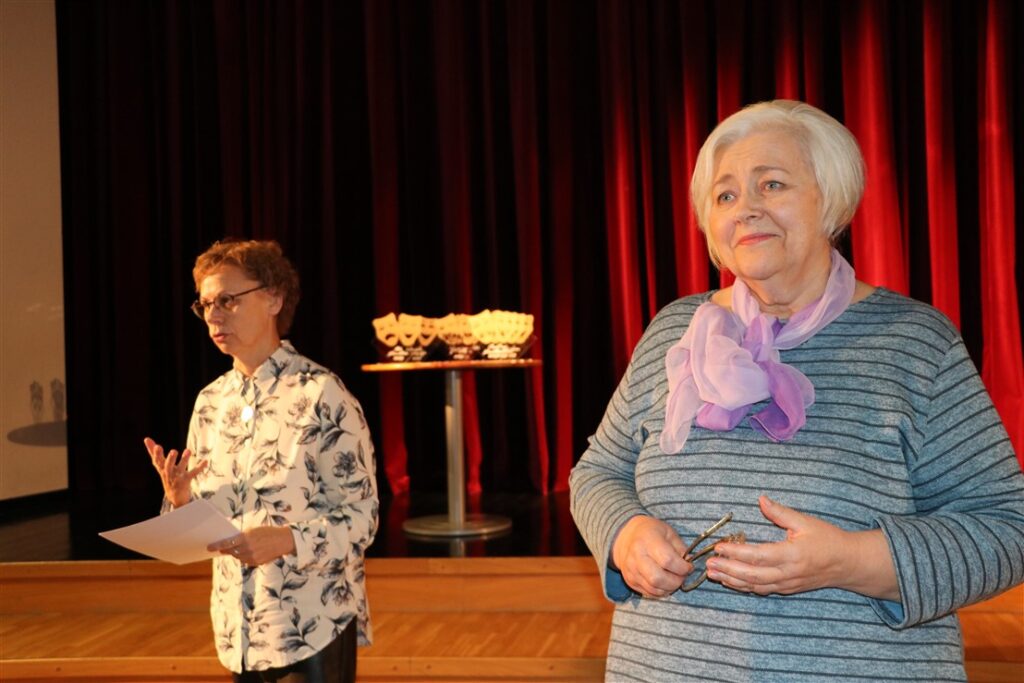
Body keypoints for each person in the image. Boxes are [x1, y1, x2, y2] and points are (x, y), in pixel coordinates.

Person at [569, 100, 1024, 681]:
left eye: (772, 184)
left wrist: (849, 561)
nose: (746, 209)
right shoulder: (672, 331)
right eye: (725, 195)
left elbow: (1007, 527)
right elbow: (597, 472)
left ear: (830, 200)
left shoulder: (914, 342)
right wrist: (624, 533)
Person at [145, 239, 378, 683]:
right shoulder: (210, 402)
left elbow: (362, 520)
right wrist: (180, 503)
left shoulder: (322, 394)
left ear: (273, 299)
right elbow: (201, 531)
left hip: (313, 623)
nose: (214, 316)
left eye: (227, 301)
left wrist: (288, 539)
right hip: (237, 631)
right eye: (205, 305)